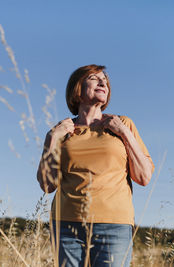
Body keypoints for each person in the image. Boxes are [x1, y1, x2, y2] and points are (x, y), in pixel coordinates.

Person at [37, 64, 154, 267]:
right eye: (94, 78)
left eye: (105, 80)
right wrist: (52, 138)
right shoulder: (62, 132)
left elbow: (144, 177)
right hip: (67, 225)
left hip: (114, 225)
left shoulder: (123, 124)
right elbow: (48, 185)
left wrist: (124, 133)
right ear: (77, 89)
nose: (103, 82)